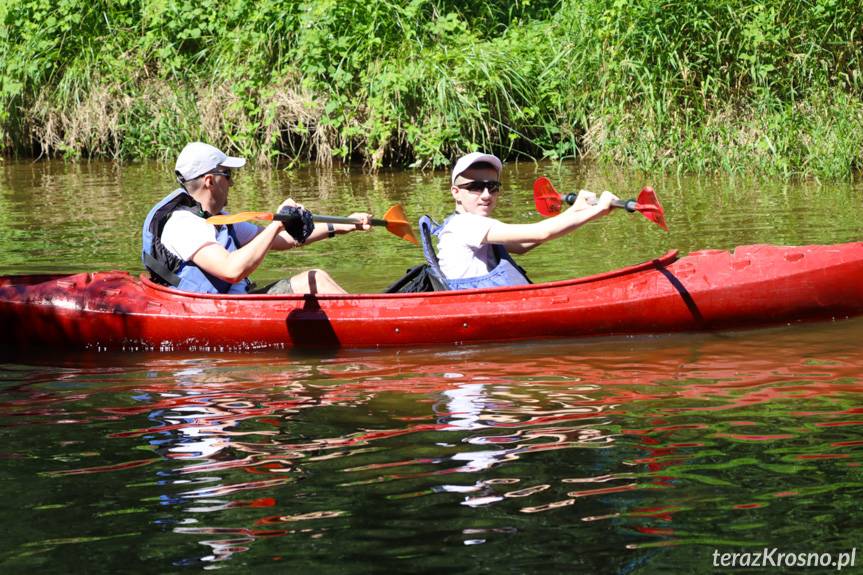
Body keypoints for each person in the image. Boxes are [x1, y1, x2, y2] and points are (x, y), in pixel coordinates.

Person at [142, 142, 372, 295]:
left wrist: (343, 225)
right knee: (316, 280)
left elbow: (285, 239)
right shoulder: (183, 225)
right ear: (210, 181)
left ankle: (366, 318)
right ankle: (370, 324)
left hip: (237, 303)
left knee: (315, 279)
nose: (231, 183)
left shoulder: (218, 219)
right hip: (217, 312)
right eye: (228, 175)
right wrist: (277, 223)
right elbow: (232, 271)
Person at [424, 152, 619, 290]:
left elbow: (522, 245)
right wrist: (597, 211)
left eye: (492, 186)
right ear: (455, 193)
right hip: (474, 305)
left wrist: (576, 209)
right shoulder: (466, 225)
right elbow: (541, 232)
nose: (486, 195)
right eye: (476, 187)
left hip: (482, 302)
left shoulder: (462, 223)